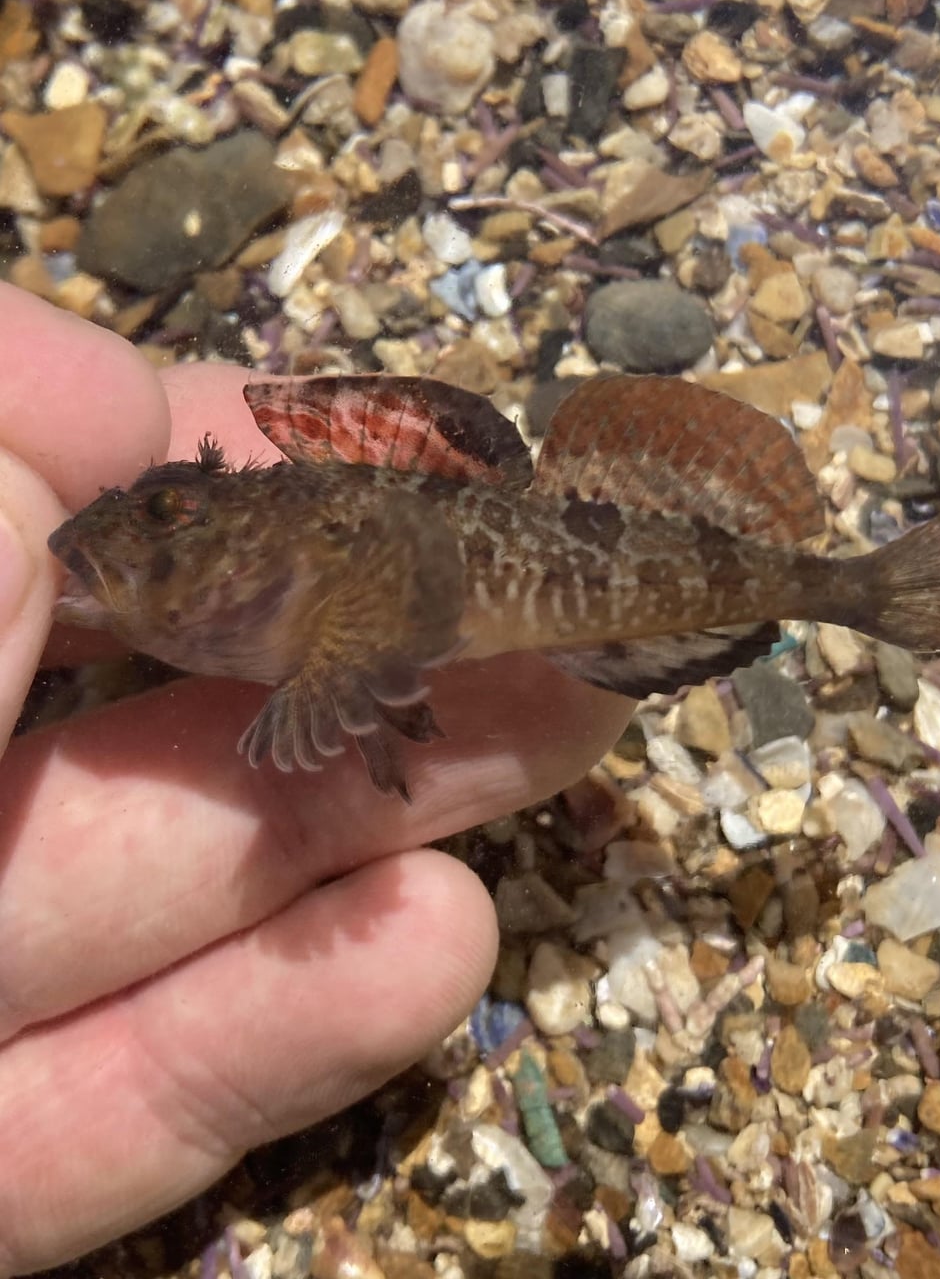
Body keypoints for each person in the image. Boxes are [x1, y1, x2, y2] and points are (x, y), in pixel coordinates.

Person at [0, 282, 633, 1275]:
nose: (139, 529)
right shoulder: (279, 549)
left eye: (168, 510)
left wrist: (337, 684)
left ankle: (844, 590)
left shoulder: (326, 546)